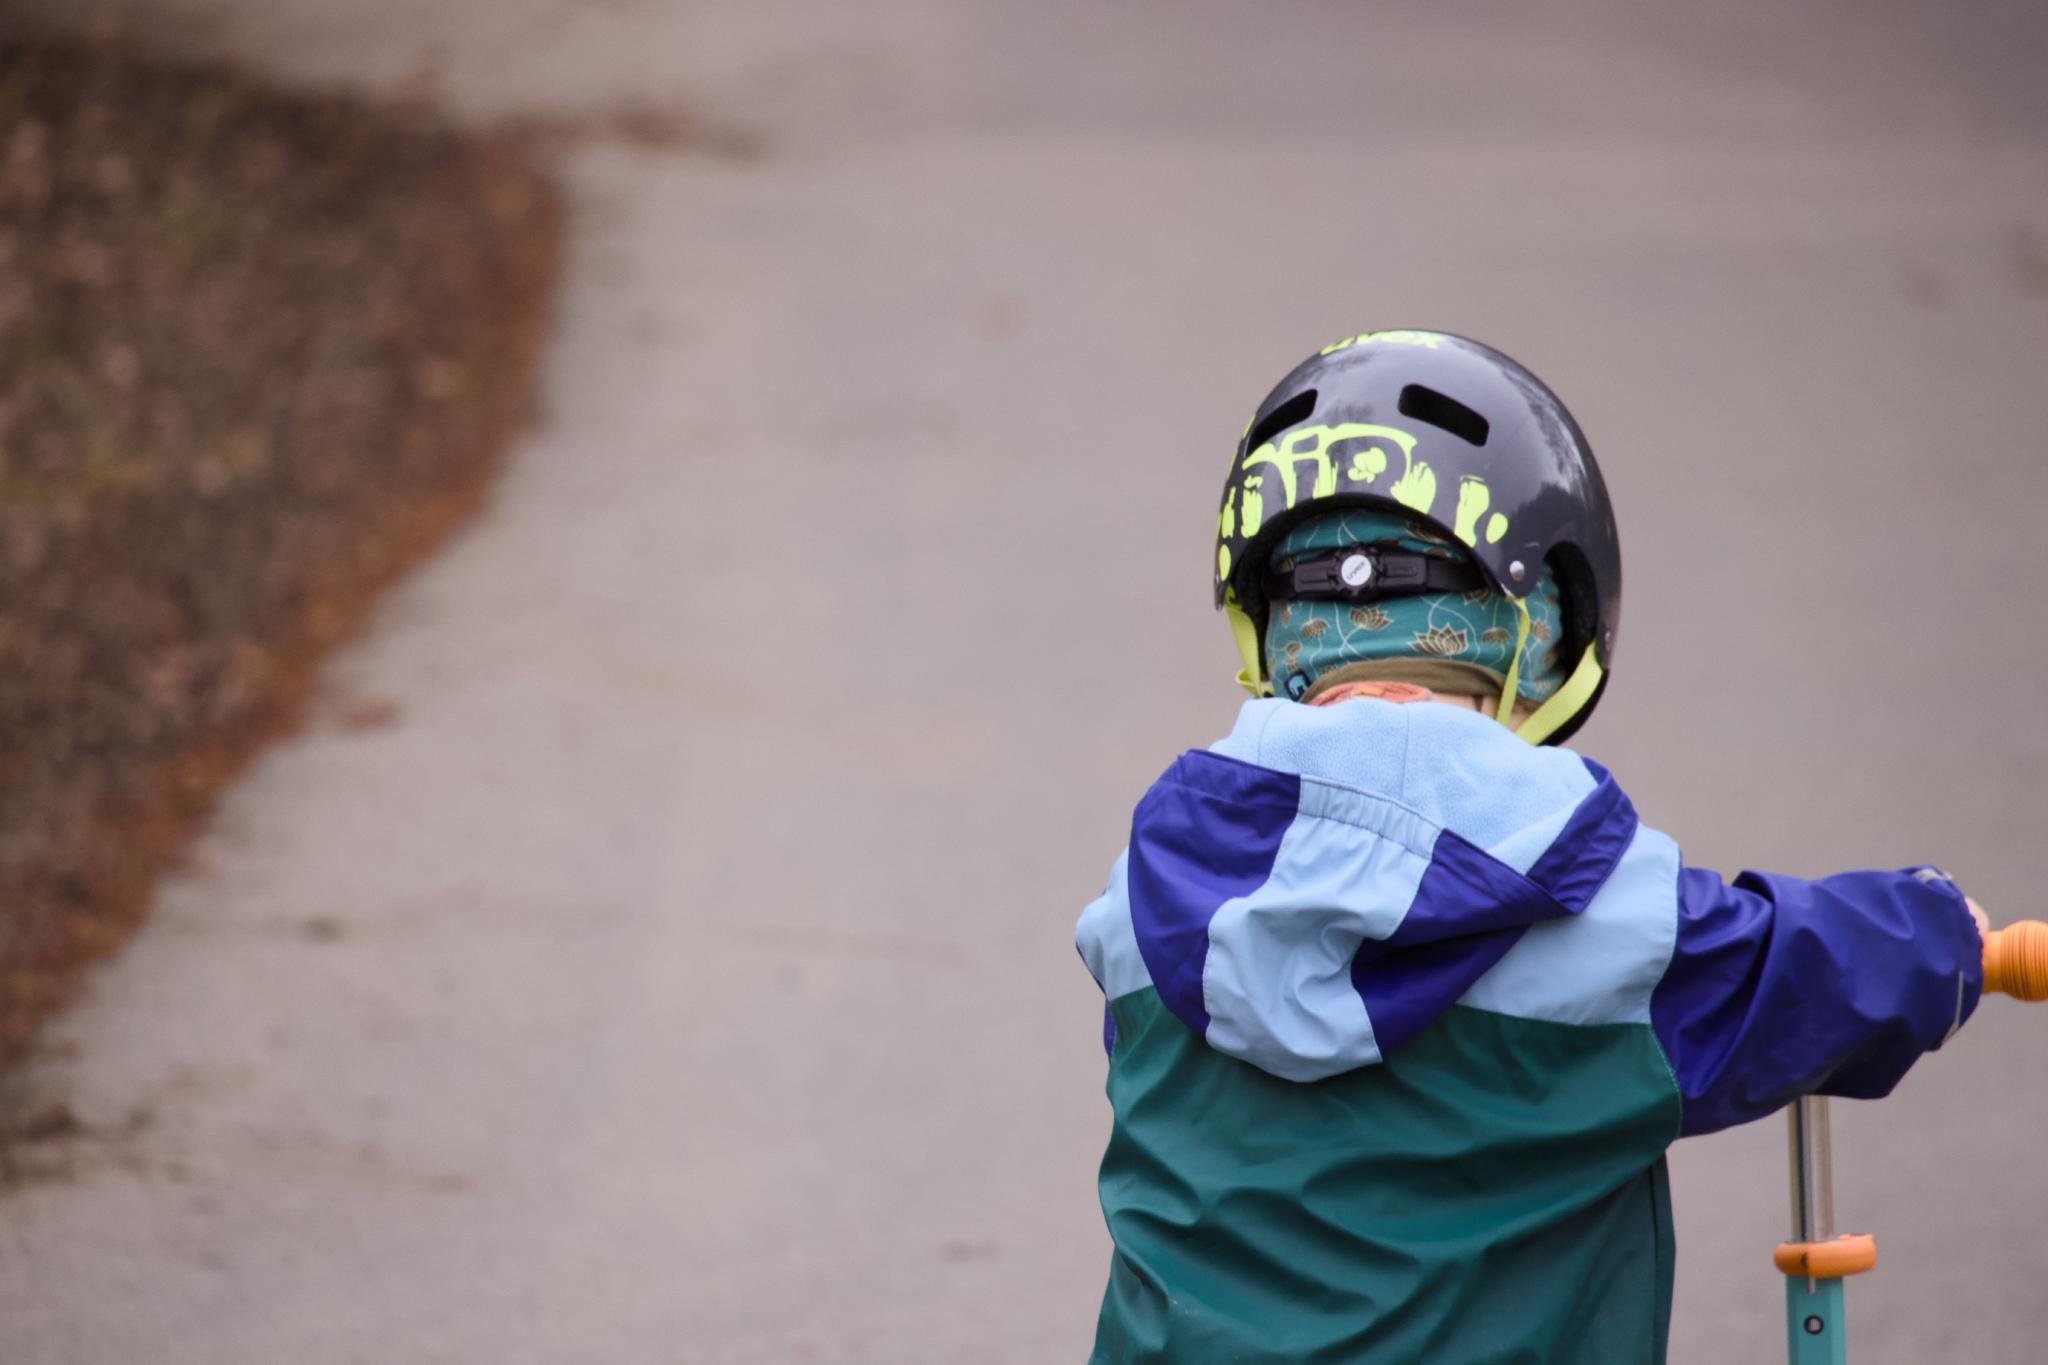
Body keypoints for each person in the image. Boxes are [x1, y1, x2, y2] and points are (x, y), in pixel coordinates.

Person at [1074, 331, 1987, 1364]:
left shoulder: (1144, 913)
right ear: (1545, 627)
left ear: (1265, 625)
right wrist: (1940, 932)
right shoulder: (1611, 925)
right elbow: (1805, 969)